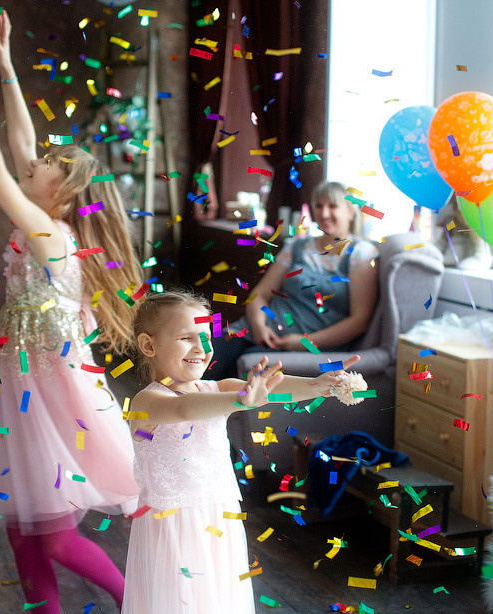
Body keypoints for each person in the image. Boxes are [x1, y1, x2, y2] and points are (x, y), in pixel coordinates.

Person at [0, 15, 142, 613]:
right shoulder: (46, 221)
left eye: (47, 162)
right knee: (22, 526)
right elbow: (20, 145)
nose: (34, 160)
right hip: (21, 384)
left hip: (52, 393)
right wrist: (7, 66)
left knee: (54, 533)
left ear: (62, 192)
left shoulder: (50, 235)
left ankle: (139, 601)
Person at [122, 290, 360, 613]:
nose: (201, 348)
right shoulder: (147, 402)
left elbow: (273, 388)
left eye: (205, 338)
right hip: (172, 530)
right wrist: (241, 399)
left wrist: (317, 385)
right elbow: (184, 410)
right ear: (149, 345)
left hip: (220, 520)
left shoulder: (216, 388)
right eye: (185, 338)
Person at [207, 180, 379, 379]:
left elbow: (360, 321)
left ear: (351, 211)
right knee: (204, 353)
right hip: (255, 331)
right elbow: (259, 295)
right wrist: (259, 327)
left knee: (241, 371)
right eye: (319, 206)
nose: (324, 214)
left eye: (332, 206)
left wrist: (305, 342)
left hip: (305, 347)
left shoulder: (361, 254)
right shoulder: (297, 246)